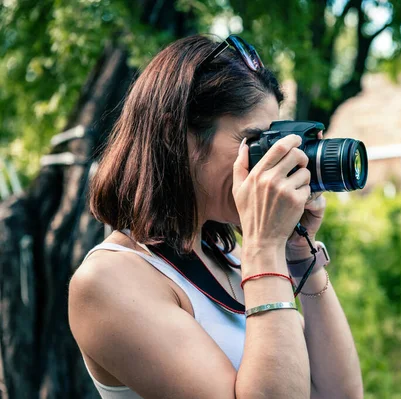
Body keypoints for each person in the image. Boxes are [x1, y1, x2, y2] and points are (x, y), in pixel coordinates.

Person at [67, 34, 363, 399]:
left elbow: (339, 395)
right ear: (177, 135)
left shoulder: (231, 261)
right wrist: (265, 247)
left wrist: (300, 258)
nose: (268, 163)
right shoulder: (108, 281)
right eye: (253, 142)